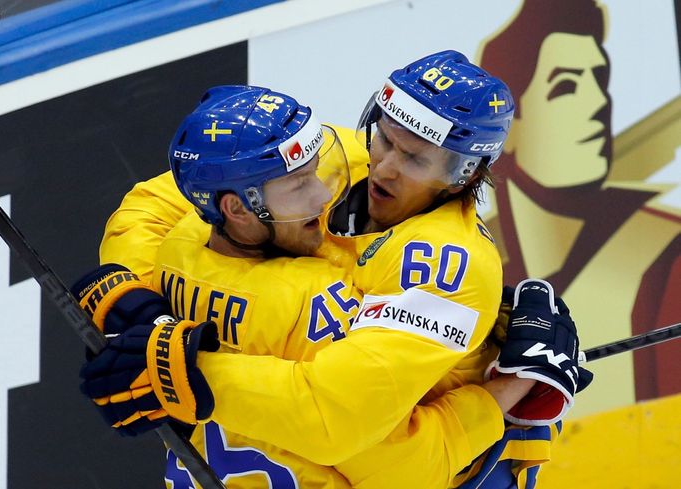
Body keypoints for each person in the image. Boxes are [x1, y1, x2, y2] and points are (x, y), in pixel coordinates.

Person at [77, 52, 589, 488]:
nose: (383, 167)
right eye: (385, 138)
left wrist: (185, 372)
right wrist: (135, 293)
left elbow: (335, 417)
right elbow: (159, 200)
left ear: (465, 174)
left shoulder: (445, 267)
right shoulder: (332, 157)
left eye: (414, 158)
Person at [478, 0, 680, 415]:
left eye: (600, 79)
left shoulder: (665, 262)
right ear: (507, 131)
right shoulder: (465, 264)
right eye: (567, 86)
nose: (599, 102)